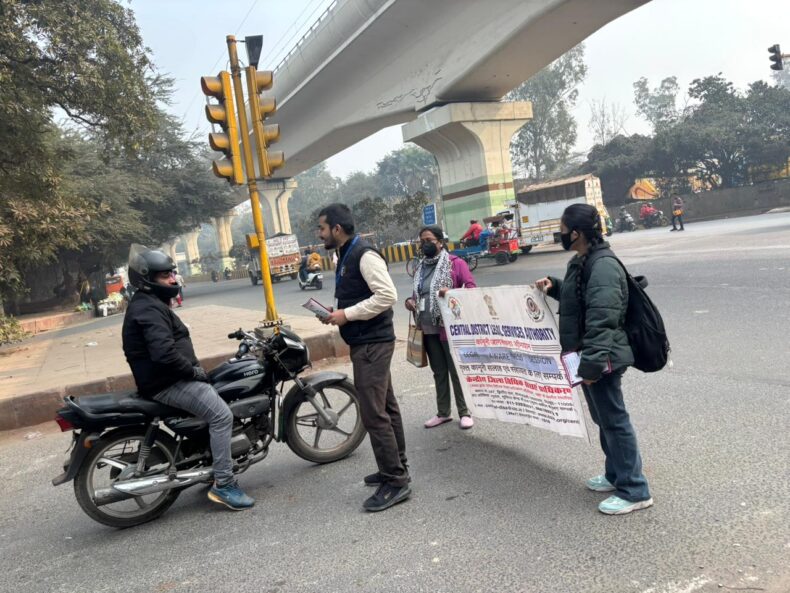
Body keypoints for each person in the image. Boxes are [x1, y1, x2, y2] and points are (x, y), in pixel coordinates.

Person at [534, 204, 653, 516]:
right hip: (589, 354)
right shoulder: (582, 260)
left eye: (561, 228)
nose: (558, 234)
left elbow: (603, 320)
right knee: (604, 419)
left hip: (602, 356)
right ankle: (616, 475)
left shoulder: (602, 266)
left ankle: (635, 489)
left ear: (576, 233)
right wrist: (554, 286)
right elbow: (580, 301)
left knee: (614, 420)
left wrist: (591, 367)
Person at [122, 245, 254, 511]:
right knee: (221, 416)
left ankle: (211, 464)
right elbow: (164, 354)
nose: (172, 279)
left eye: (172, 273)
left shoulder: (149, 303)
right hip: (168, 382)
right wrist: (193, 372)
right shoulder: (147, 308)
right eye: (165, 276)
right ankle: (224, 484)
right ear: (146, 279)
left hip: (167, 378)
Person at [316, 203, 411, 512]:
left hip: (373, 344)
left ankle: (395, 481)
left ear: (337, 229)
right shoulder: (344, 254)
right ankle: (397, 466)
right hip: (365, 342)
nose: (320, 234)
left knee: (373, 413)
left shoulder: (364, 254)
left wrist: (347, 314)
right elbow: (357, 295)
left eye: (322, 228)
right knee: (386, 406)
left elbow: (387, 296)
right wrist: (337, 314)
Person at [406, 225, 477, 430]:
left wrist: (452, 293)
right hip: (427, 328)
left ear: (440, 242)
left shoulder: (456, 263)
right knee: (439, 371)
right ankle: (443, 412)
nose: (425, 244)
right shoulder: (420, 268)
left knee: (455, 370)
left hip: (448, 327)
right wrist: (410, 302)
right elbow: (416, 294)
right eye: (422, 241)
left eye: (429, 240)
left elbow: (471, 288)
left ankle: (464, 412)